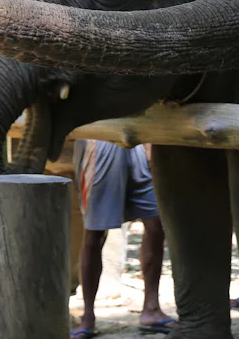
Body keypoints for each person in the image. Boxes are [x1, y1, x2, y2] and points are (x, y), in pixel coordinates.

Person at [72, 140, 176, 337]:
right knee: (95, 232)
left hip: (140, 136)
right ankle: (88, 318)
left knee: (156, 224)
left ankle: (151, 309)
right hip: (100, 138)